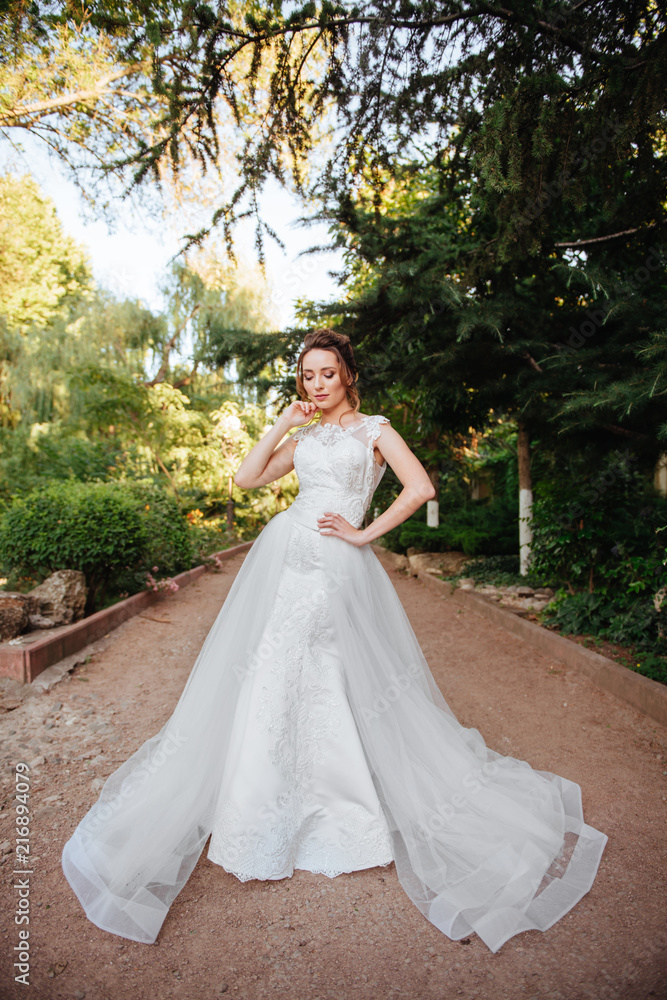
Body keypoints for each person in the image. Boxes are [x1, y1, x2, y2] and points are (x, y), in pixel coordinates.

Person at [61, 328, 608, 953]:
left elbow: (421, 487)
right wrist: (280, 425)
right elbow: (245, 481)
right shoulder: (305, 436)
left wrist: (362, 534)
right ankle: (265, 814)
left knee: (313, 665)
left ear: (348, 374)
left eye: (326, 373)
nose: (315, 384)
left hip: (334, 566)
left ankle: (339, 812)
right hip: (283, 559)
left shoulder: (373, 430)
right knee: (277, 672)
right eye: (307, 375)